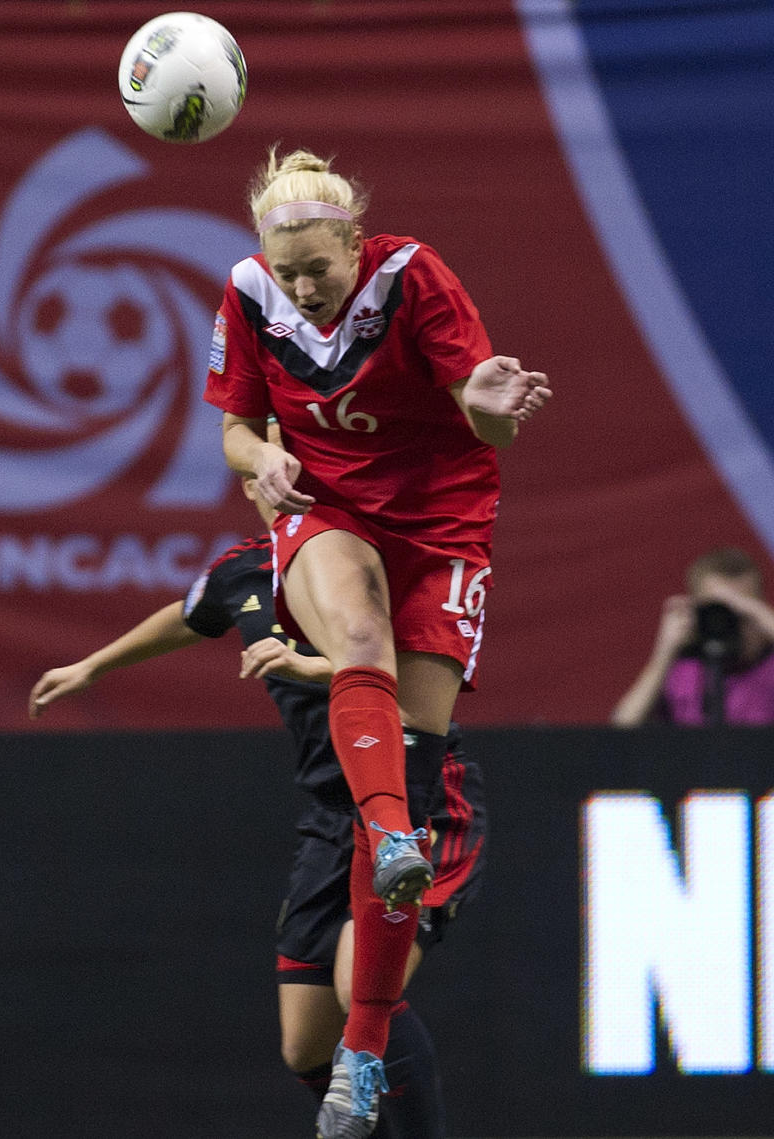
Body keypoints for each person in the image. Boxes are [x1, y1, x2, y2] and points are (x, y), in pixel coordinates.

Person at [203, 146, 550, 1137]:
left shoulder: (413, 277)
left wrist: (489, 406)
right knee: (360, 641)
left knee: (414, 747)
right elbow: (234, 428)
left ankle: (362, 1055)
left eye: (319, 262)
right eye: (288, 266)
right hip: (330, 512)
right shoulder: (247, 293)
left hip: (439, 525)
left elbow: (486, 412)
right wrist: (262, 457)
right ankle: (393, 832)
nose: (303, 284)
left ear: (356, 240)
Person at [28, 478, 486, 1139]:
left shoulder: (365, 562)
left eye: (301, 460)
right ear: (251, 479)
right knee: (305, 1046)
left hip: (418, 796)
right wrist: (94, 665)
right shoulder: (245, 566)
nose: (286, 476)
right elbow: (191, 613)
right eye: (270, 458)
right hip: (331, 816)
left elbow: (400, 667)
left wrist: (309, 666)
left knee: (361, 988)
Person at [610, 546, 774, 727]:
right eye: (718, 609)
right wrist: (664, 651)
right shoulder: (683, 670)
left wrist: (755, 612)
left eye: (741, 612)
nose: (731, 619)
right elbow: (623, 728)